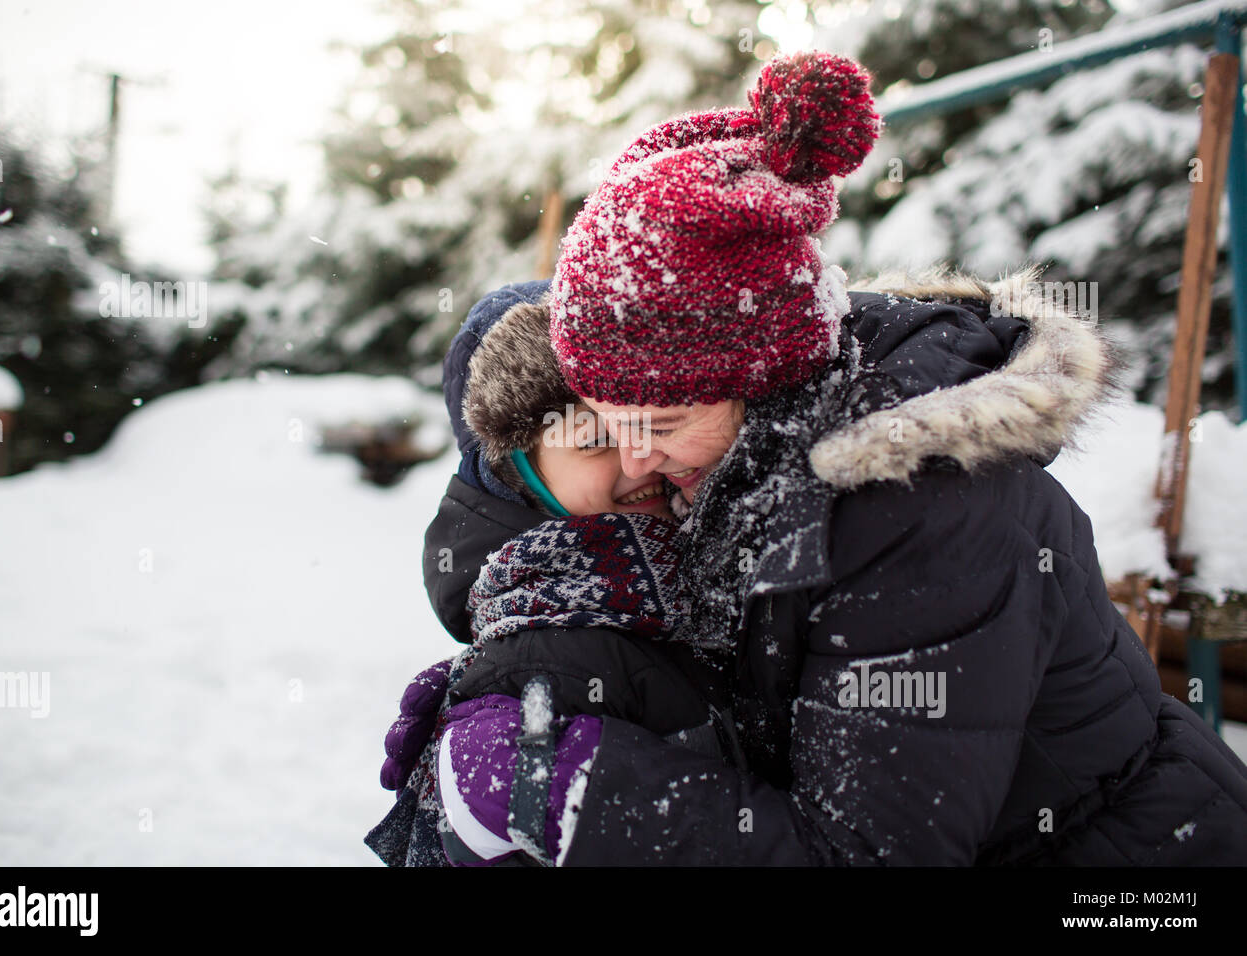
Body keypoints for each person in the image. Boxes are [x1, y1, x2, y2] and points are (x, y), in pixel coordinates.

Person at [432, 49, 1247, 865]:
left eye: (665, 419)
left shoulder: (922, 512)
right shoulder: (729, 463)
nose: (639, 458)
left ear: (761, 376)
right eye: (609, 424)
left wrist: (569, 789)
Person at [365, 282, 738, 867]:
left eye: (645, 418)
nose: (638, 455)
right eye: (593, 439)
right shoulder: (546, 658)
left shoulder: (684, 573)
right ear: (518, 479)